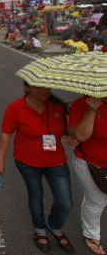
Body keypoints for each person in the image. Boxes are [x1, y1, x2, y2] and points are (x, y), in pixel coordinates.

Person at [0, 82, 74, 253]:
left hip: (56, 161)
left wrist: (72, 134)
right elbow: (6, 134)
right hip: (27, 162)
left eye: (47, 87)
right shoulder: (15, 108)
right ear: (27, 87)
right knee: (36, 196)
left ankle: (54, 225)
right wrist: (0, 158)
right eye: (39, 87)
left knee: (65, 202)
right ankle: (40, 230)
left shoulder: (58, 107)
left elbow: (68, 131)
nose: (45, 91)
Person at [69, 96, 107, 255]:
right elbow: (80, 136)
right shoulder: (81, 104)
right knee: (97, 200)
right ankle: (91, 235)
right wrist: (91, 111)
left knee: (96, 198)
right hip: (91, 164)